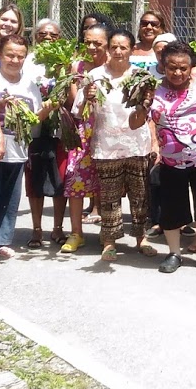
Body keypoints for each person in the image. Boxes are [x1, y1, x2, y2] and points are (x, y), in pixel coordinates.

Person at [131, 41, 196, 275]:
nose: (177, 72)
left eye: (183, 68)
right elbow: (134, 124)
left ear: (190, 66)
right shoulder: (152, 90)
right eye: (172, 67)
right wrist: (144, 105)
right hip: (170, 161)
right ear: (163, 65)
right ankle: (174, 253)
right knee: (172, 206)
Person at [0, 34, 51, 267]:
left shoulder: (29, 85)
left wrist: (49, 108)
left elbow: (34, 119)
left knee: (8, 198)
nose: (15, 60)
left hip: (17, 149)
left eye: (20, 56)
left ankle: (1, 241)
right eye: (10, 55)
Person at [84, 28, 156, 262]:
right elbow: (79, 111)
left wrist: (154, 142)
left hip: (137, 144)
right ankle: (109, 241)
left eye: (123, 47)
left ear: (131, 49)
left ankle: (141, 237)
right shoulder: (94, 76)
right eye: (113, 46)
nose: (117, 51)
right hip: (106, 144)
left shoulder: (141, 76)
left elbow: (151, 113)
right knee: (109, 196)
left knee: (140, 195)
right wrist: (87, 97)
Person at [60, 23, 110, 253]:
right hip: (84, 130)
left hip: (109, 130)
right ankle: (76, 232)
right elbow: (74, 105)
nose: (91, 47)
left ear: (107, 43)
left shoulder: (113, 66)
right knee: (75, 178)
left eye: (97, 43)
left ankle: (108, 231)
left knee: (108, 182)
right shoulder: (77, 67)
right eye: (87, 42)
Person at [24, 19, 66, 248]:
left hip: (60, 130)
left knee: (61, 179)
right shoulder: (27, 62)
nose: (48, 38)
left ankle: (58, 228)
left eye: (53, 35)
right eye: (42, 34)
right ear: (35, 37)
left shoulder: (66, 61)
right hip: (34, 130)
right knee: (34, 180)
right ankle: (37, 229)